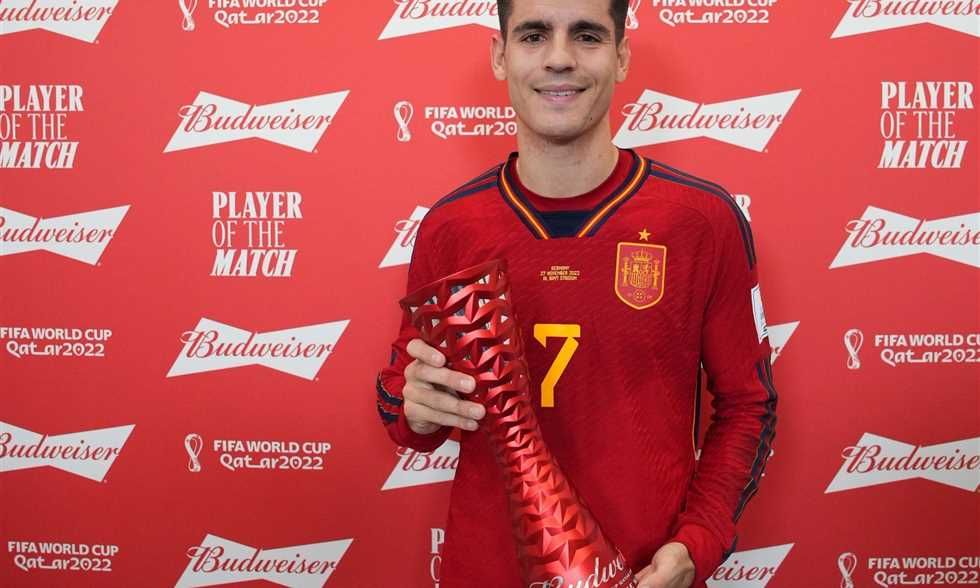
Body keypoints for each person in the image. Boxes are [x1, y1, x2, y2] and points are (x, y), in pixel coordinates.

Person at [375, 1, 778, 586]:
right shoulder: (451, 226)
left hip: (642, 572)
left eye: (586, 36)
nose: (559, 58)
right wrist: (414, 405)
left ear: (621, 57)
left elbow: (749, 405)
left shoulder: (701, 220)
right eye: (534, 36)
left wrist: (697, 543)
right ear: (500, 57)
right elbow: (402, 403)